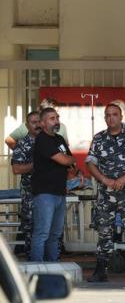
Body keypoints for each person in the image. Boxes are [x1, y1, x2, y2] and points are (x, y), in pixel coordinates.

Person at [86, 104, 125, 283]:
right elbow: (90, 162)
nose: (111, 118)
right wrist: (104, 179)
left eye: (115, 115)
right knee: (104, 230)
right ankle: (100, 270)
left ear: (121, 116)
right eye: (107, 115)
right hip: (106, 193)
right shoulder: (99, 138)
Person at [30, 107, 75, 262]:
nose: (56, 121)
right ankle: (37, 269)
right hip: (44, 194)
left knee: (55, 235)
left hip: (59, 193)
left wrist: (72, 165)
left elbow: (71, 161)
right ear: (42, 123)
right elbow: (65, 160)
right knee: (42, 233)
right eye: (51, 118)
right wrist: (68, 160)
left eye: (57, 117)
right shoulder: (42, 140)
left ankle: (52, 267)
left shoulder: (59, 139)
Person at [10, 111, 42, 257]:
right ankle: (34, 264)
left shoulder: (51, 141)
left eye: (38, 121)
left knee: (53, 231)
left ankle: (52, 265)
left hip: (50, 193)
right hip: (31, 194)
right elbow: (16, 169)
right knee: (31, 230)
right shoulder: (23, 144)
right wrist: (38, 165)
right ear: (27, 126)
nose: (37, 125)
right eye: (33, 122)